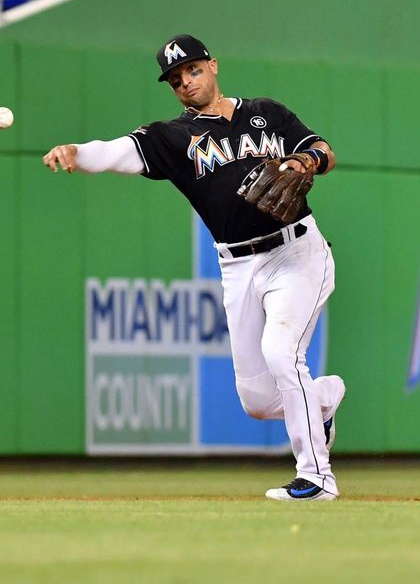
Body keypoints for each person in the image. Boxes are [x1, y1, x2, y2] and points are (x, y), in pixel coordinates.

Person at [43, 34, 346, 501]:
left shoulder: (266, 112)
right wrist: (76, 153)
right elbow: (115, 150)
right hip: (238, 266)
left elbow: (323, 150)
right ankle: (322, 400)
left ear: (213, 65)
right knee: (259, 401)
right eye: (176, 78)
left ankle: (317, 477)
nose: (186, 82)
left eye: (193, 70)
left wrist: (305, 159)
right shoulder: (173, 138)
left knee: (283, 354)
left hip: (297, 253)